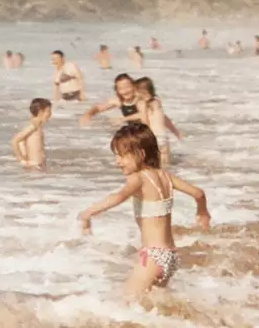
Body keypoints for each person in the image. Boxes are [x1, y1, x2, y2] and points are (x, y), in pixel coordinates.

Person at [78, 122, 210, 300]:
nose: (117, 161)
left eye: (122, 155)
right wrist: (203, 212)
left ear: (140, 154)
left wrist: (87, 214)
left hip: (153, 257)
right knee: (151, 306)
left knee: (126, 304)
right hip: (170, 256)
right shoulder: (166, 176)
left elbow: (119, 196)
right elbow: (198, 193)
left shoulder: (139, 178)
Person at [132, 77, 181, 162]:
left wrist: (142, 137)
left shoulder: (141, 103)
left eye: (135, 91)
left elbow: (145, 121)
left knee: (151, 164)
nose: (134, 94)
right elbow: (164, 118)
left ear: (142, 91)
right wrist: (175, 132)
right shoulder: (157, 102)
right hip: (164, 137)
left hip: (153, 137)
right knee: (165, 164)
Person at [11, 98, 52, 168]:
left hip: (39, 166)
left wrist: (24, 154)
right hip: (35, 167)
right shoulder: (33, 126)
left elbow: (22, 142)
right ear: (40, 112)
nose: (50, 114)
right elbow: (15, 141)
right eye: (48, 111)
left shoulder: (37, 126)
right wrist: (22, 161)